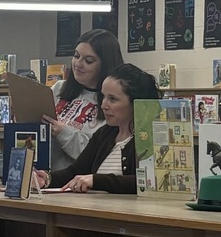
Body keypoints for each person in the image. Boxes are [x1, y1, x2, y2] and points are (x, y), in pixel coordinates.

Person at [35, 63, 159, 194]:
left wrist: (97, 180)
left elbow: (148, 181)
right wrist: (46, 179)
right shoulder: (104, 133)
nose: (104, 105)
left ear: (135, 103)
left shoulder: (150, 138)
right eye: (103, 96)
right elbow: (76, 171)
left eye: (113, 99)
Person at [42, 28, 123, 171]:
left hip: (78, 180)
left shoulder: (112, 103)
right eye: (76, 56)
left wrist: (63, 133)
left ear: (104, 65)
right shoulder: (59, 89)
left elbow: (98, 154)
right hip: (44, 174)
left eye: (88, 61)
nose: (78, 64)